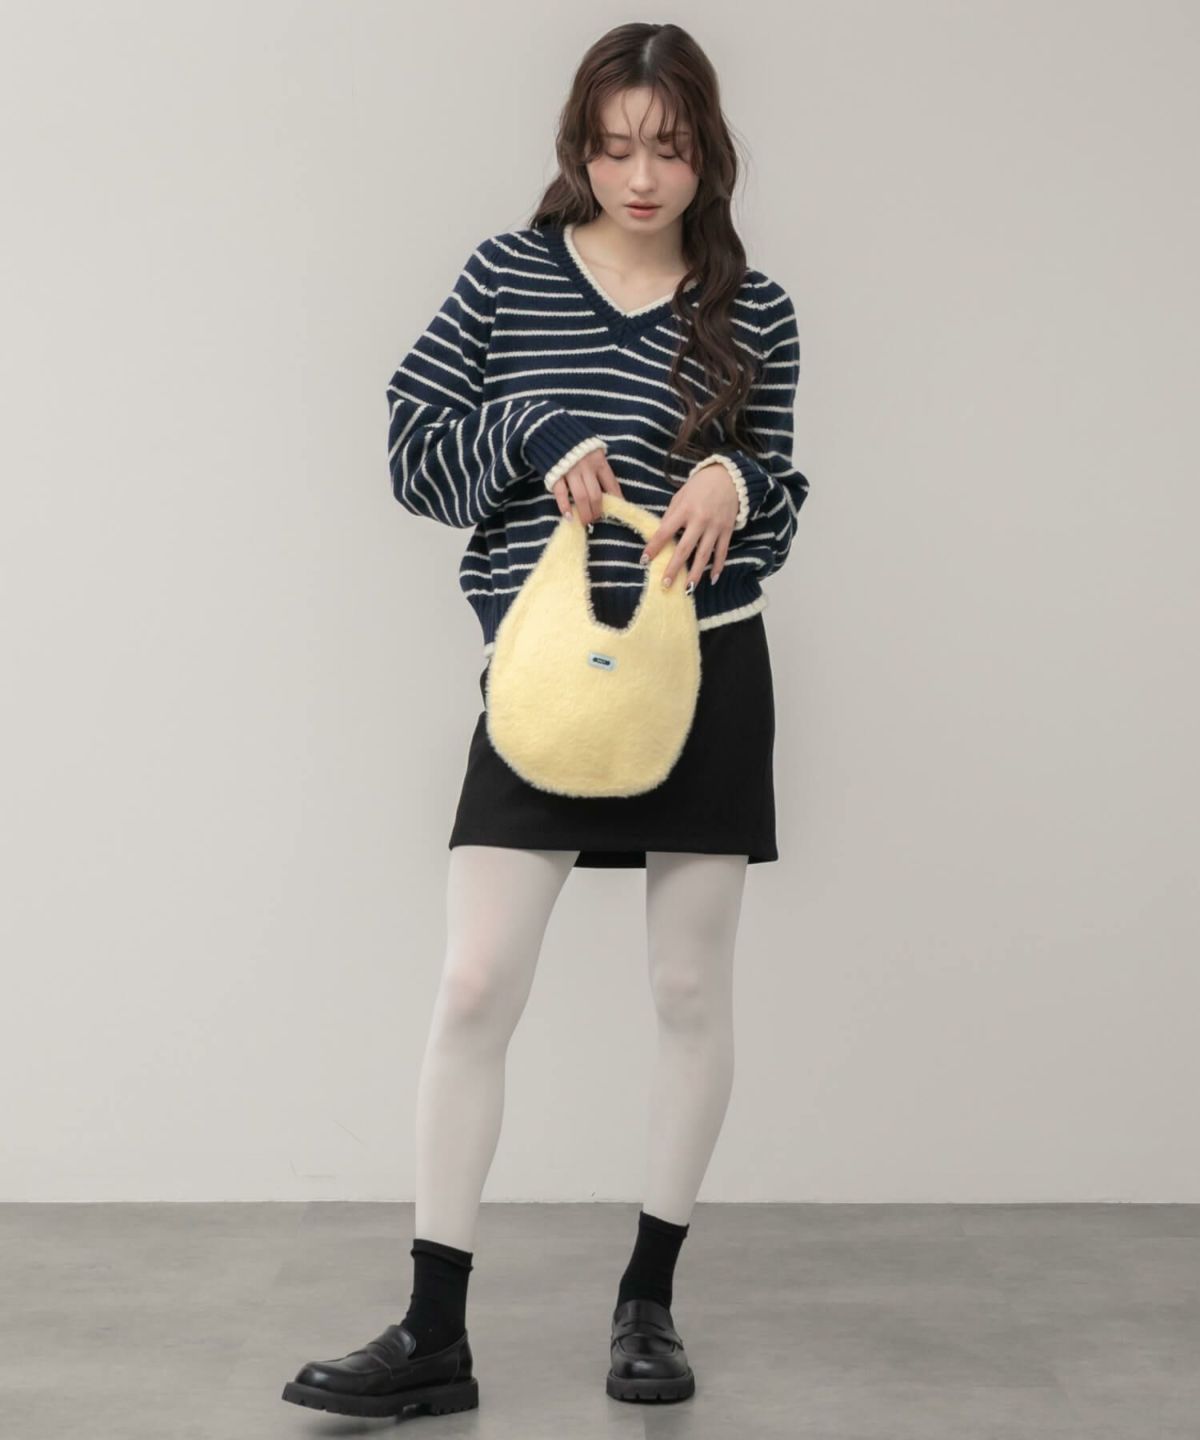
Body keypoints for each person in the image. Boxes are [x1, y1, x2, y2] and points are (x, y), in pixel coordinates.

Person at [282, 19, 809, 1423]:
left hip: (705, 672)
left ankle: (649, 1305)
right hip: (541, 686)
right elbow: (413, 454)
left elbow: (782, 499)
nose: (640, 177)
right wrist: (527, 431)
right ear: (578, 146)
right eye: (615, 146)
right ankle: (431, 1333)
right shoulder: (507, 277)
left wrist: (740, 488)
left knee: (689, 992)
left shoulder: (754, 308)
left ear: (708, 155)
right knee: (474, 986)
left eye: (669, 149)